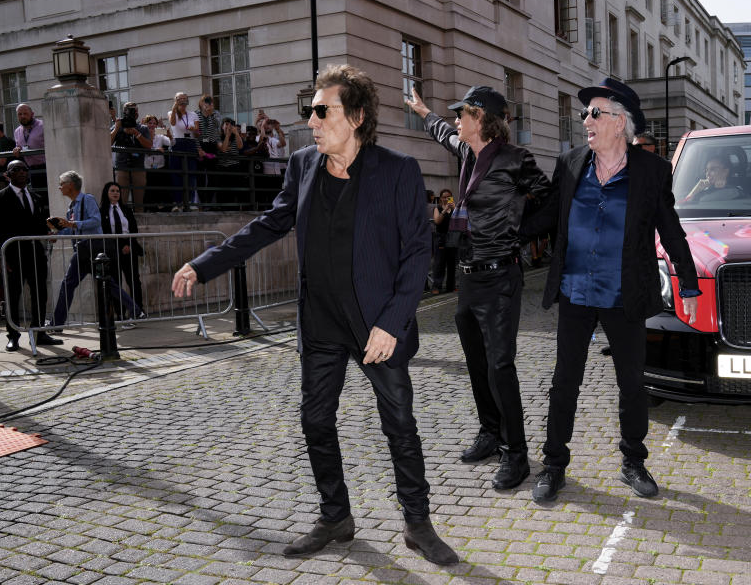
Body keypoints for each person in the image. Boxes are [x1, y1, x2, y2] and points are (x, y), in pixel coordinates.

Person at [171, 64, 457, 565]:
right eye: (311, 111)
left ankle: (417, 522)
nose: (312, 120)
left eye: (323, 111)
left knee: (400, 425)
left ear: (357, 117)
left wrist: (392, 322)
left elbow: (417, 253)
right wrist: (205, 263)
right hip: (321, 322)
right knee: (315, 421)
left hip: (375, 327)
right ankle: (335, 515)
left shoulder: (397, 170)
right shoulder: (303, 165)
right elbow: (269, 224)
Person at [522, 78, 700, 503]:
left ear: (620, 123)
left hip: (624, 295)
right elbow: (545, 215)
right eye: (585, 113)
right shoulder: (570, 164)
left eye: (594, 113)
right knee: (564, 382)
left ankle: (633, 461)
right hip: (576, 292)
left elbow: (671, 232)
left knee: (632, 383)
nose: (586, 120)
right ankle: (553, 465)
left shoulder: (652, 172)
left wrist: (689, 284)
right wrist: (502, 233)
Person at [406, 85, 551, 490]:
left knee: (500, 365)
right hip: (469, 278)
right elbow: (442, 132)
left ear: (481, 118)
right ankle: (490, 433)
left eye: (462, 113)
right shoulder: (469, 152)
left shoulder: (515, 159)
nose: (456, 120)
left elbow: (550, 199)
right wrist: (422, 110)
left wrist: (518, 231)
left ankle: (516, 454)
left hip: (500, 277)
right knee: (476, 363)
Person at [49, 171, 143, 330]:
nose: (59, 188)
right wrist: (56, 233)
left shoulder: (88, 199)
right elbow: (72, 229)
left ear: (70, 185)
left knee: (69, 284)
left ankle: (56, 324)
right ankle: (136, 310)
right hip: (84, 250)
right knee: (107, 283)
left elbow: (95, 220)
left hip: (91, 248)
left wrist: (71, 224)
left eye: (61, 184)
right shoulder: (71, 206)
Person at [0, 160, 63, 351]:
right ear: (8, 175)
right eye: (16, 170)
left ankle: (39, 333)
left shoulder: (36, 197)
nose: (21, 172)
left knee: (40, 294)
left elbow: (39, 224)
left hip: (36, 253)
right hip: (12, 255)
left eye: (24, 169)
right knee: (12, 296)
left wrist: (49, 232)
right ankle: (13, 335)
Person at [100, 181, 144, 319]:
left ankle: (138, 311)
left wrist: (129, 245)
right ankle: (120, 313)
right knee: (116, 282)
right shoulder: (102, 211)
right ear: (107, 193)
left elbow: (133, 230)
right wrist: (119, 247)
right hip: (113, 250)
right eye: (112, 191)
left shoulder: (126, 209)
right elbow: (105, 232)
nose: (115, 193)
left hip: (129, 247)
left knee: (134, 281)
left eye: (117, 191)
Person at [111, 102, 153, 211]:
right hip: (121, 167)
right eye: (131, 110)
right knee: (121, 201)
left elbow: (149, 146)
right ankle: (122, 223)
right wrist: (116, 129)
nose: (135, 113)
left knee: (139, 203)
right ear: (125, 111)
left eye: (136, 110)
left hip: (138, 167)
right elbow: (107, 143)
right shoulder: (119, 125)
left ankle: (139, 226)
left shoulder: (142, 128)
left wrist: (136, 133)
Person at [167, 92, 200, 211]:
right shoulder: (172, 112)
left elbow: (197, 133)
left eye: (185, 98)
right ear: (175, 100)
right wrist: (175, 107)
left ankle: (190, 201)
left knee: (191, 173)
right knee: (176, 173)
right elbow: (173, 123)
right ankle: (178, 202)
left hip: (190, 143)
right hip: (177, 143)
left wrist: (194, 129)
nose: (183, 100)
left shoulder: (193, 115)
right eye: (180, 99)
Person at [12, 104, 47, 192]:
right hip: (31, 170)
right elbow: (19, 145)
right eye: (20, 114)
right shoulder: (17, 131)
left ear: (32, 114)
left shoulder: (43, 126)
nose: (23, 116)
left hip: (46, 167)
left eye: (25, 113)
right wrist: (17, 149)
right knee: (38, 196)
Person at [430, 188, 456, 294]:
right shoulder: (438, 208)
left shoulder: (455, 208)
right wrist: (445, 210)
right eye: (444, 197)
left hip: (453, 237)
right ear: (440, 198)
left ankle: (451, 286)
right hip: (441, 237)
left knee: (452, 263)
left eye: (448, 197)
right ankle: (436, 287)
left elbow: (460, 221)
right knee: (439, 263)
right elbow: (437, 221)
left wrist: (455, 209)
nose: (446, 199)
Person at [143, 114, 171, 210]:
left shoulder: (159, 133)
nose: (152, 125)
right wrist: (155, 150)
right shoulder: (142, 134)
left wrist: (169, 134)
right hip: (146, 167)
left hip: (159, 167)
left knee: (159, 190)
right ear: (145, 124)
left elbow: (171, 143)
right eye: (150, 123)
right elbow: (144, 149)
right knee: (148, 191)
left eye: (154, 123)